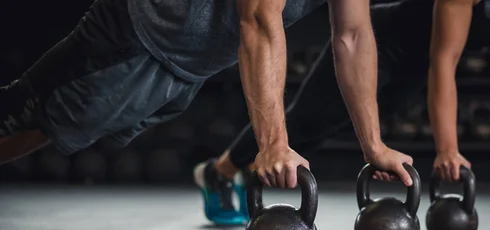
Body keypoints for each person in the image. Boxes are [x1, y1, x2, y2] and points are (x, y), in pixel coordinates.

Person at [0, 0, 414, 205]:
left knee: (57, 126)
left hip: (187, 66)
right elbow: (258, 18)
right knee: (24, 111)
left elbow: (354, 35)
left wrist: (373, 146)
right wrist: (271, 145)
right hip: (137, 34)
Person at [195, 0, 490, 225]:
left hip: (411, 72)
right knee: (307, 120)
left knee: (333, 131)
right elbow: (444, 62)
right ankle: (219, 172)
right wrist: (448, 150)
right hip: (380, 42)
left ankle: (235, 170)